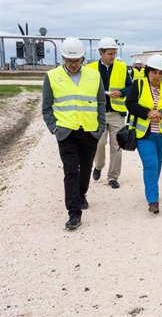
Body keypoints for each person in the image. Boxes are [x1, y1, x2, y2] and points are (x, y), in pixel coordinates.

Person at [42, 37, 106, 230]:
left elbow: (101, 103)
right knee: (71, 170)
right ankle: (74, 213)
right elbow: (46, 108)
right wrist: (54, 128)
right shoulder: (52, 76)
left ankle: (82, 194)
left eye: (76, 60)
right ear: (63, 58)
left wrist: (100, 127)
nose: (72, 64)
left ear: (82, 59)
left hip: (89, 131)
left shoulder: (94, 76)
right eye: (69, 61)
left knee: (85, 168)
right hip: (66, 132)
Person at [125, 54, 162, 214]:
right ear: (148, 71)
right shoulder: (139, 84)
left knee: (157, 165)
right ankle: (153, 200)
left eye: (160, 73)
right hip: (144, 134)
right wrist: (147, 113)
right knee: (150, 164)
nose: (156, 76)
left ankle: (151, 189)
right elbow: (130, 103)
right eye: (153, 72)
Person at [87, 37, 132, 189]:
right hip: (97, 113)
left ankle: (113, 177)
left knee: (117, 145)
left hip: (116, 113)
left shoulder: (121, 67)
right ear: (101, 52)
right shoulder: (90, 68)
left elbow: (130, 87)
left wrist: (121, 92)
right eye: (110, 54)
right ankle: (98, 166)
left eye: (114, 53)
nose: (113, 56)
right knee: (99, 143)